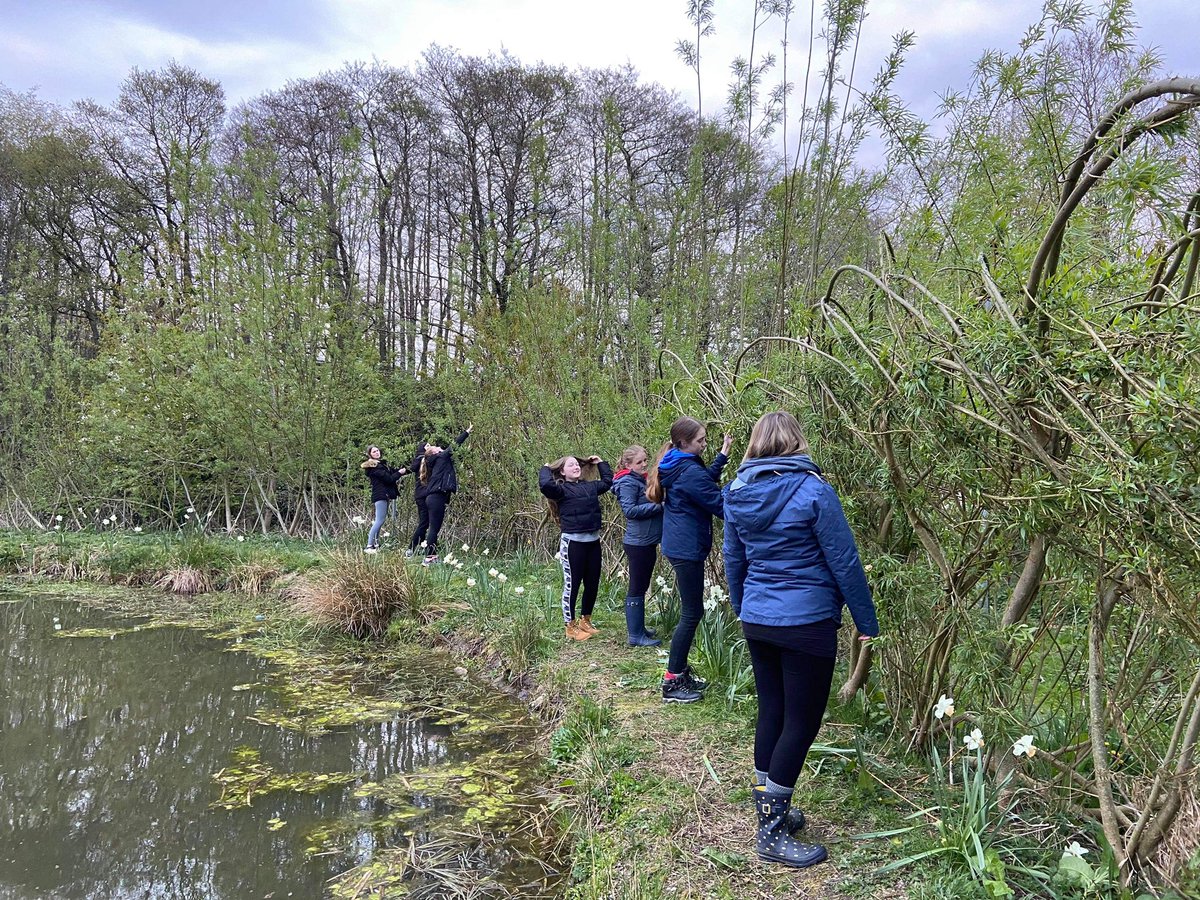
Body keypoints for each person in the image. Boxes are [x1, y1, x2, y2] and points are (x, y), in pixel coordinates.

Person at [722, 411, 880, 869]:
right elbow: (844, 562)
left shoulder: (737, 493)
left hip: (759, 617)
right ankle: (770, 832)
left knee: (772, 709)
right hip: (805, 620)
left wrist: (742, 606)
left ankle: (773, 808)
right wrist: (866, 622)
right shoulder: (814, 491)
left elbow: (734, 558)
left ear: (754, 445)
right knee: (802, 722)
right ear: (796, 442)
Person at [646, 416, 732, 703]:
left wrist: (721, 457)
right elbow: (719, 503)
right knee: (691, 613)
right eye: (701, 441)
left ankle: (680, 672)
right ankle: (672, 682)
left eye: (706, 439)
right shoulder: (687, 471)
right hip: (686, 548)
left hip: (680, 544)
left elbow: (704, 482)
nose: (705, 445)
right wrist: (744, 491)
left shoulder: (677, 462)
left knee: (691, 612)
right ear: (684, 443)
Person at [539, 454, 613, 641]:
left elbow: (607, 482)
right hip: (573, 543)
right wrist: (546, 469)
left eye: (577, 464)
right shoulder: (561, 490)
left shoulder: (590, 486)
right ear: (562, 471)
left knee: (592, 583)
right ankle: (570, 626)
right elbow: (545, 486)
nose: (575, 467)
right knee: (572, 585)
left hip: (593, 542)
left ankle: (585, 621)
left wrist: (600, 464)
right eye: (570, 465)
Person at [612, 445, 662, 648]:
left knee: (641, 586)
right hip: (638, 542)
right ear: (627, 464)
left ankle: (640, 629)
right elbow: (630, 510)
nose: (644, 465)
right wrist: (659, 506)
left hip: (646, 541)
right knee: (637, 586)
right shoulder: (627, 482)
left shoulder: (638, 480)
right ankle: (635, 635)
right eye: (639, 462)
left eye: (645, 460)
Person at [408, 425, 472, 564]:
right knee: (434, 528)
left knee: (433, 527)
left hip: (434, 497)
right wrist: (466, 432)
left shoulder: (436, 461)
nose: (440, 448)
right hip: (436, 497)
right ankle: (430, 557)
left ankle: (431, 555)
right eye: (438, 448)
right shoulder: (440, 458)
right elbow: (454, 446)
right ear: (435, 453)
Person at [360, 446, 408, 552]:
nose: (377, 452)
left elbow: (391, 472)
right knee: (379, 520)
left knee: (380, 520)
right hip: (380, 495)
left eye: (377, 450)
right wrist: (399, 473)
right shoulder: (375, 468)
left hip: (383, 495)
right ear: (370, 454)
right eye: (374, 451)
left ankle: (376, 545)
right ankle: (369, 546)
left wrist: (404, 470)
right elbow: (389, 479)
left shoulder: (381, 465)